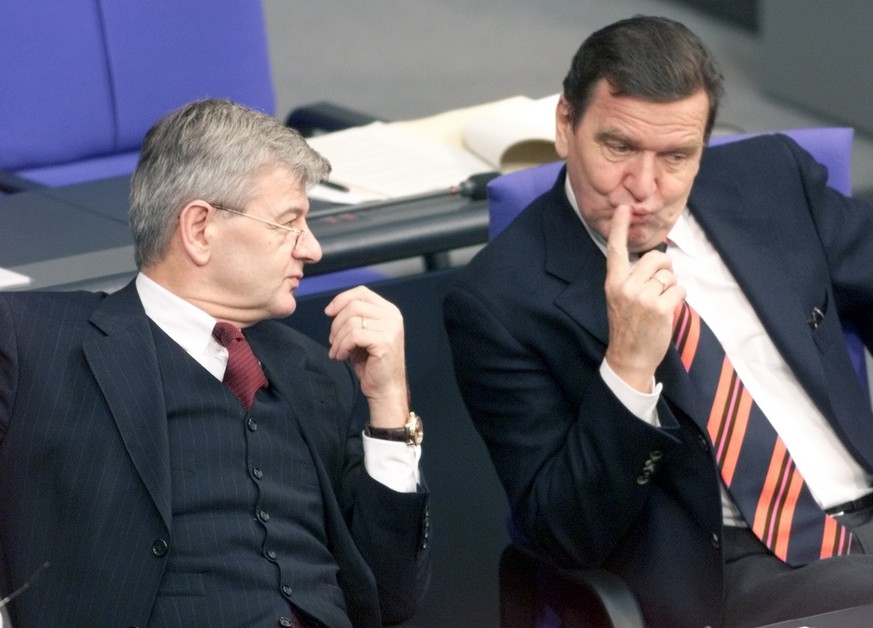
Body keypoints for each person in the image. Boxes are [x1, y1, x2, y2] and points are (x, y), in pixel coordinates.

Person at [444, 15, 873, 628]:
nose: (643, 188)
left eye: (676, 155)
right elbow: (565, 534)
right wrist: (628, 368)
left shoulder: (769, 180)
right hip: (740, 568)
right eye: (618, 147)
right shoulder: (498, 301)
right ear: (567, 126)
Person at [0, 99, 429, 627]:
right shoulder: (35, 341)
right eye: (289, 222)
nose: (313, 249)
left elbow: (391, 596)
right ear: (200, 229)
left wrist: (389, 408)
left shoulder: (317, 372)